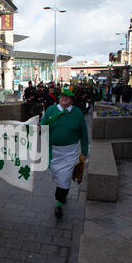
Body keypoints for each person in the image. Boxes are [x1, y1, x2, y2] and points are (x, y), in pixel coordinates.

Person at [39, 86, 89, 217]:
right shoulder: (51, 110)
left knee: (65, 178)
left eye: (67, 97)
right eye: (62, 96)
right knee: (58, 176)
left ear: (72, 99)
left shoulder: (77, 113)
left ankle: (59, 203)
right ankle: (62, 194)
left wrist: (84, 151)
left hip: (70, 152)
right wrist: (38, 127)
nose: (64, 98)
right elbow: (43, 124)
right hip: (53, 151)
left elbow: (83, 133)